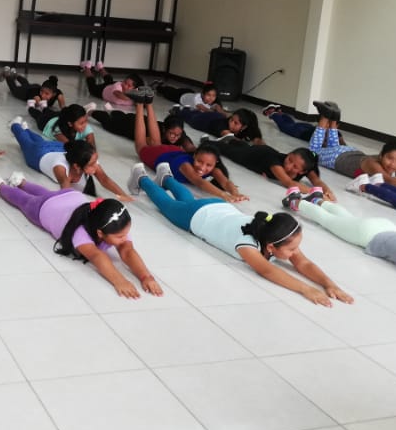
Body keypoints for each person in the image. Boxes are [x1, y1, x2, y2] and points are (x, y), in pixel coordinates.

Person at [135, 169, 350, 306]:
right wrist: (306, 289)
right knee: (167, 205)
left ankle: (166, 177)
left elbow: (304, 263)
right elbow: (267, 270)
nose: (296, 253)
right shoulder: (247, 244)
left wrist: (329, 284)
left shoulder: (276, 235)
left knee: (188, 200)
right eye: (292, 249)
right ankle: (142, 178)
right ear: (271, 247)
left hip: (217, 206)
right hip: (196, 217)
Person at [0, 173, 162, 299]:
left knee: (47, 193)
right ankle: (1, 186)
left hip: (69, 195)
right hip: (44, 209)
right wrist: (119, 281)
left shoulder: (115, 224)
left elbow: (128, 251)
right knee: (25, 201)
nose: (125, 239)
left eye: (125, 233)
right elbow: (97, 256)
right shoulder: (80, 232)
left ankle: (21, 182)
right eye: (120, 237)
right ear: (100, 233)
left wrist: (146, 277)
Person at [305, 104, 396, 194]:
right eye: (389, 158)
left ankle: (334, 116)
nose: (393, 164)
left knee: (333, 146)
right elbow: (388, 180)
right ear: (381, 156)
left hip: (348, 152)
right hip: (337, 158)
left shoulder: (395, 165)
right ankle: (325, 117)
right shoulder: (373, 164)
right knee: (313, 152)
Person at [127, 101, 246, 202]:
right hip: (159, 155)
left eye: (209, 165)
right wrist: (223, 195)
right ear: (194, 156)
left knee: (156, 143)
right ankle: (140, 104)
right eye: (200, 161)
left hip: (174, 152)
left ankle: (148, 102)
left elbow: (226, 183)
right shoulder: (185, 165)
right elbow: (199, 182)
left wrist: (236, 193)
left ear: (215, 163)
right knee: (141, 146)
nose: (202, 167)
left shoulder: (214, 169)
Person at [9, 117, 133, 200]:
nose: (96, 166)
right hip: (38, 154)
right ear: (76, 166)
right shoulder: (60, 167)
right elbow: (66, 192)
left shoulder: (88, 157)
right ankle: (16, 125)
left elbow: (104, 179)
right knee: (25, 142)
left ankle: (27, 129)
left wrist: (124, 196)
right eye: (92, 164)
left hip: (59, 147)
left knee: (41, 141)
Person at [211, 135, 335, 200]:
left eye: (295, 167)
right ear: (289, 154)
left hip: (260, 152)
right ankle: (212, 141)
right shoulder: (275, 162)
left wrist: (328, 192)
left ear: (303, 171)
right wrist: (316, 193)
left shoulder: (308, 167)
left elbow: (317, 181)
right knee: (229, 151)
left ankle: (233, 140)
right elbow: (288, 183)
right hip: (256, 155)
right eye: (289, 159)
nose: (288, 165)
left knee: (245, 147)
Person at [91, 108, 196, 152]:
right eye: (172, 133)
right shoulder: (155, 132)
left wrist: (192, 149)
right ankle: (91, 111)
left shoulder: (180, 134)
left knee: (122, 116)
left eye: (178, 135)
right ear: (164, 129)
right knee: (108, 124)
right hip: (130, 126)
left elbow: (189, 146)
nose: (175, 137)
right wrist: (177, 149)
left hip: (138, 119)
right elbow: (155, 146)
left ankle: (112, 111)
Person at [173, 107, 262, 142]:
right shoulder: (223, 126)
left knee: (197, 112)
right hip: (201, 121)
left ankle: (192, 110)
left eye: (235, 123)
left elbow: (257, 137)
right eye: (231, 119)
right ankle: (178, 109)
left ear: (244, 127)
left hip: (215, 116)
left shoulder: (246, 127)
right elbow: (228, 136)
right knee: (188, 116)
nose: (231, 123)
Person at [82, 62, 151, 107]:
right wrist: (132, 97)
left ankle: (100, 67)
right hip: (103, 90)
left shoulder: (135, 96)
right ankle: (87, 68)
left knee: (109, 79)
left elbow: (143, 104)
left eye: (129, 85)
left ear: (135, 89)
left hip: (110, 86)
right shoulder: (119, 85)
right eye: (125, 82)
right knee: (92, 87)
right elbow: (118, 94)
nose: (124, 85)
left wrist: (144, 98)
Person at [154, 80, 223, 111]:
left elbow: (216, 107)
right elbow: (205, 109)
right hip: (181, 96)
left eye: (214, 96)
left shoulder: (210, 102)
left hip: (190, 93)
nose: (211, 98)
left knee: (173, 90)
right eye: (209, 95)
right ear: (202, 94)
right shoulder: (198, 102)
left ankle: (164, 86)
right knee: (167, 92)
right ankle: (158, 86)